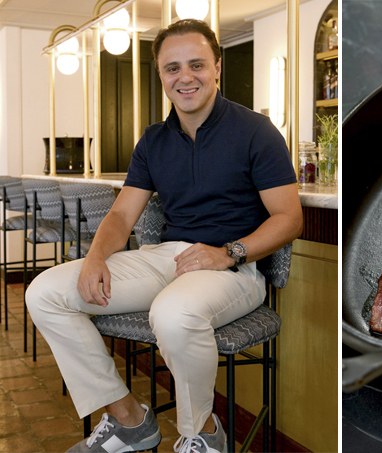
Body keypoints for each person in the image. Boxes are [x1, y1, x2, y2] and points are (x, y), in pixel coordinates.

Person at [26, 19, 302, 453]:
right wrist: (96, 257)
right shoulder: (153, 140)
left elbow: (289, 218)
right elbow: (121, 215)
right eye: (172, 68)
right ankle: (128, 420)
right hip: (165, 258)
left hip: (234, 268)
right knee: (43, 292)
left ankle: (201, 433)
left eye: (196, 64)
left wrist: (228, 253)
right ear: (161, 75)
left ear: (217, 67)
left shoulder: (256, 131)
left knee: (173, 315)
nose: (185, 77)